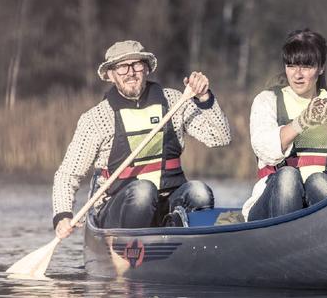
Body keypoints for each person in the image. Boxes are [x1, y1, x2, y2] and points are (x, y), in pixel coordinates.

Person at [52, 40, 231, 237]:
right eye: (122, 67)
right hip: (117, 209)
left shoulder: (174, 101)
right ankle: (139, 249)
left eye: (137, 64)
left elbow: (220, 138)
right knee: (143, 192)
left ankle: (177, 235)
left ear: (146, 69)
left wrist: (205, 98)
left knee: (200, 192)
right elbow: (68, 174)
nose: (130, 72)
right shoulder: (96, 118)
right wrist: (62, 215)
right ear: (111, 75)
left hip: (168, 200)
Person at [242, 29, 327, 221]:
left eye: (306, 67)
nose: (297, 75)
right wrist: (303, 121)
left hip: (323, 200)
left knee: (318, 181)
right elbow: (264, 149)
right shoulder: (266, 101)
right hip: (273, 207)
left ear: (321, 68)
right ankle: (284, 238)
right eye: (291, 66)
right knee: (288, 176)